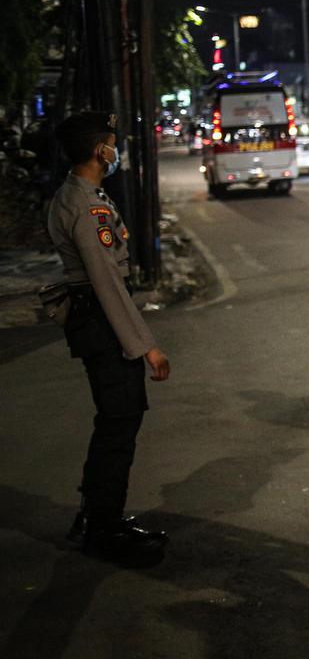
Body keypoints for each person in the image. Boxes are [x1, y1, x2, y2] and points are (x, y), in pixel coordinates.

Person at [48, 111, 171, 567]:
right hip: (100, 322)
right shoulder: (86, 205)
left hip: (94, 320)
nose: (115, 151)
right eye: (112, 144)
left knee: (115, 419)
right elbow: (106, 284)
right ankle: (104, 525)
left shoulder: (77, 195)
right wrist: (145, 346)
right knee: (120, 420)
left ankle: (97, 515)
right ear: (101, 150)